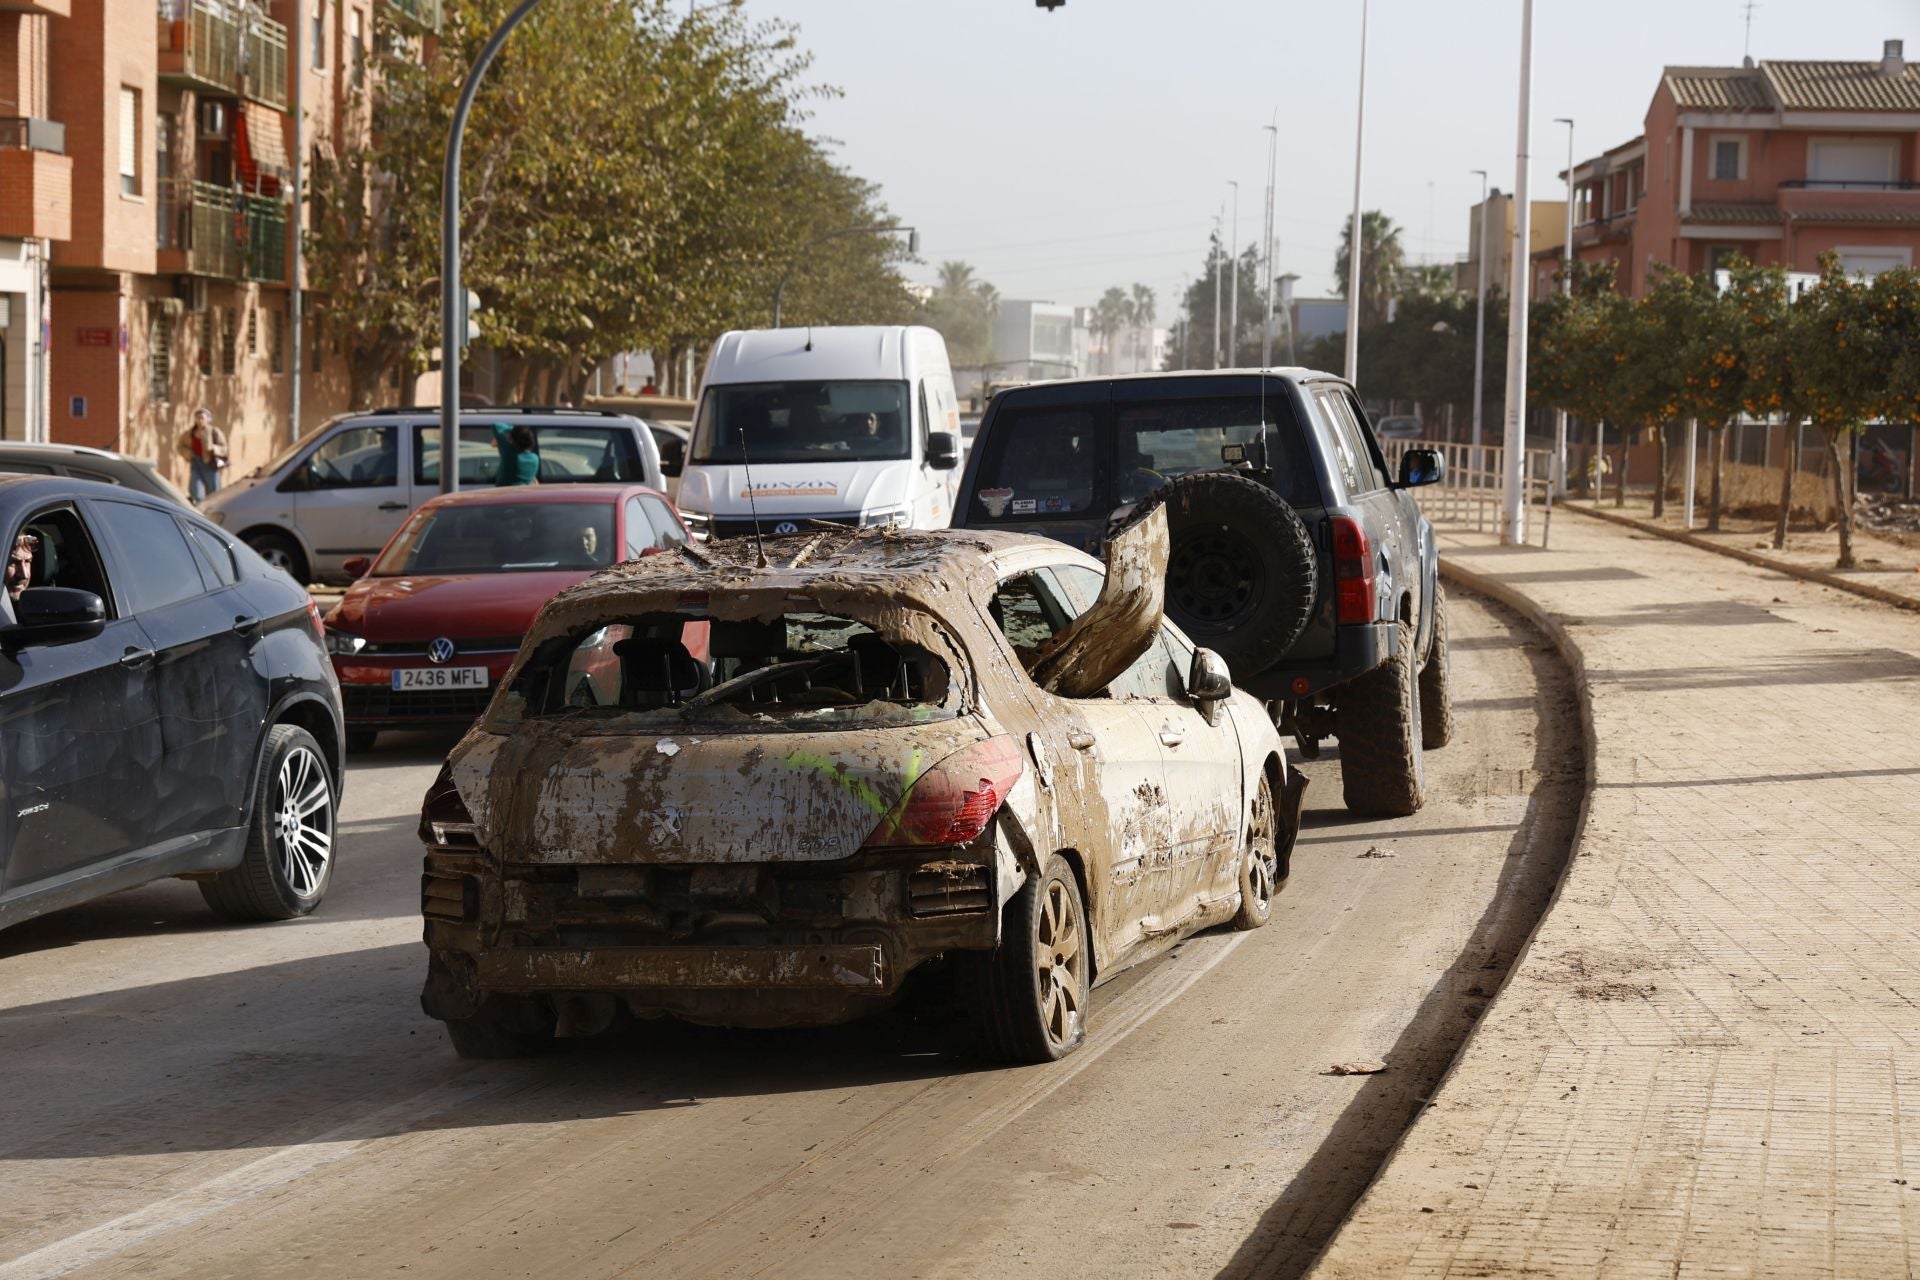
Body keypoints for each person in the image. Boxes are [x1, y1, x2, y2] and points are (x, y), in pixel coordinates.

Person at [179, 408, 229, 505]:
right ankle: (200, 510)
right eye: (197, 418)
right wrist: (188, 453)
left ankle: (213, 510)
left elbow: (224, 447)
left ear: (208, 419)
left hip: (210, 464)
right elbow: (180, 446)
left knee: (213, 492)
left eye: (202, 418)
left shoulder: (214, 431)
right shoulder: (190, 433)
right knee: (195, 490)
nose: (200, 420)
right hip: (196, 463)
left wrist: (213, 448)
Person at [491, 422, 540, 486]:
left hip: (504, 494)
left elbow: (495, 425)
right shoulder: (535, 459)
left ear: (512, 440)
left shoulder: (510, 456)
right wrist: (519, 431)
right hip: (524, 494)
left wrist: (512, 429)